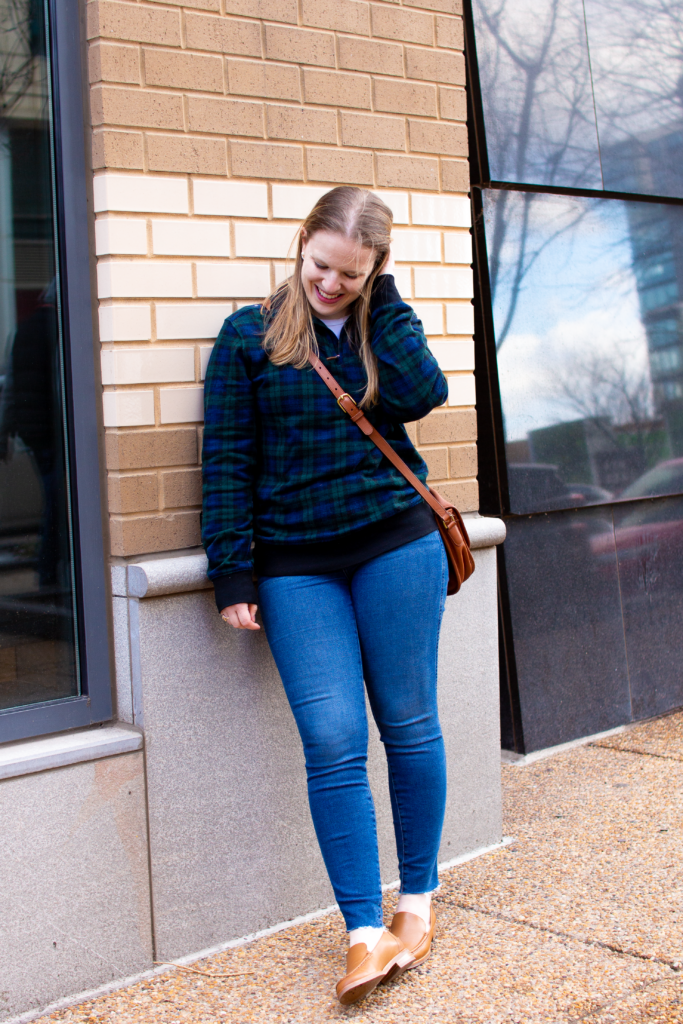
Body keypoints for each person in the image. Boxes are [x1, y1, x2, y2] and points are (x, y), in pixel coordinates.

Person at [202, 186, 450, 1006]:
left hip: (395, 542)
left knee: (408, 722)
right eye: (320, 267)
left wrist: (385, 302)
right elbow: (228, 460)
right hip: (295, 566)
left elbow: (423, 393)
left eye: (351, 274)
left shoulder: (383, 326)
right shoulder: (249, 336)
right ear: (300, 244)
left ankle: (416, 900)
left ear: (375, 268)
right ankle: (360, 929)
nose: (330, 285)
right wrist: (231, 571)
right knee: (333, 737)